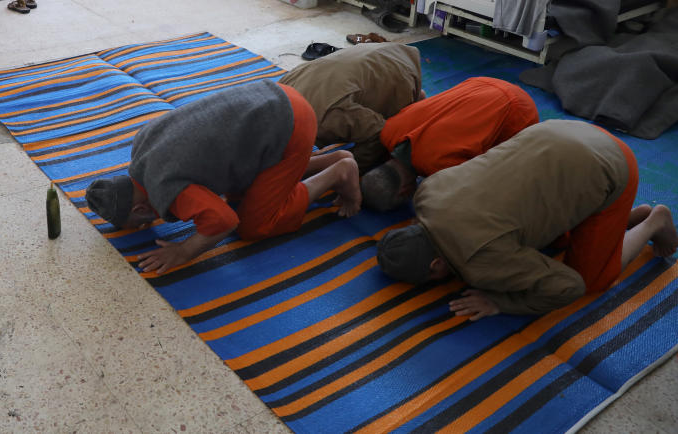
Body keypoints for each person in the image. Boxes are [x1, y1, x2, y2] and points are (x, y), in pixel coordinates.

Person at [376, 120, 678, 319]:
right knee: (548, 235)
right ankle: (624, 219)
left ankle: (654, 221)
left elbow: (567, 286)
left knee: (592, 280)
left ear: (435, 266)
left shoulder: (480, 265)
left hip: (613, 164)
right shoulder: (426, 194)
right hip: (559, 132)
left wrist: (500, 303)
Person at [85, 80, 365, 275]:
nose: (140, 228)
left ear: (140, 208)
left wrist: (182, 252)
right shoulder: (141, 147)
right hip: (271, 95)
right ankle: (332, 159)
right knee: (239, 195)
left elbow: (224, 222)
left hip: (290, 126)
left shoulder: (167, 188)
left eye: (136, 223)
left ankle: (339, 172)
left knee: (254, 225)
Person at [361, 77, 538, 211]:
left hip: (519, 108)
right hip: (480, 83)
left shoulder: (442, 169)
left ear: (404, 192)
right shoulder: (389, 131)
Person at [279, 43, 423, 171]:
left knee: (395, 132)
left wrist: (353, 167)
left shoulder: (330, 117)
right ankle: (417, 100)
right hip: (376, 51)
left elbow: (379, 132)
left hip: (400, 68)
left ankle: (415, 101)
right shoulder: (280, 89)